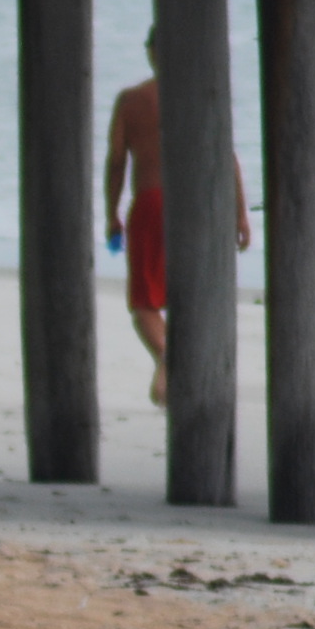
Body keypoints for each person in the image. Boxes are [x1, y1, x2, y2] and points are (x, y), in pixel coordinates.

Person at [105, 30, 253, 406]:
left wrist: (111, 214)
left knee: (144, 303)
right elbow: (227, 156)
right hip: (198, 205)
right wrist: (239, 214)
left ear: (152, 53)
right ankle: (182, 368)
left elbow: (117, 161)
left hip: (152, 203)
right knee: (192, 294)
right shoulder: (202, 95)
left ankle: (169, 359)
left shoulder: (132, 100)